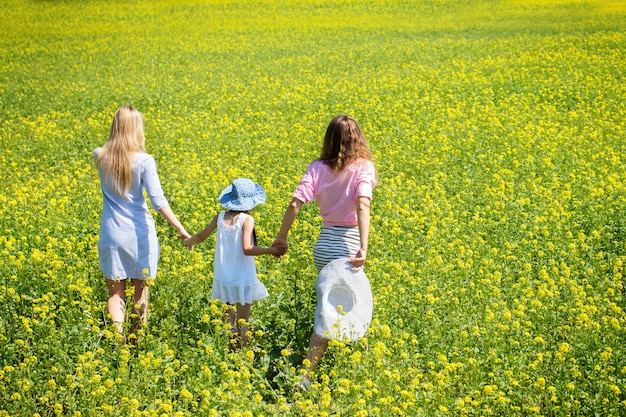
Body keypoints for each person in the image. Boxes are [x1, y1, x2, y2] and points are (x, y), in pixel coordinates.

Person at [272, 114, 377, 387]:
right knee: (340, 309)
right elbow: (363, 204)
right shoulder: (364, 167)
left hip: (324, 245)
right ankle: (306, 376)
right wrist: (364, 246)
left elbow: (295, 204)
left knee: (337, 306)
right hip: (348, 246)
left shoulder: (318, 168)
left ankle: (337, 365)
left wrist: (281, 238)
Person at [94, 105, 190, 340]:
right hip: (139, 234)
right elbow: (158, 201)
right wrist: (181, 229)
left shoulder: (99, 155)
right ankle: (137, 342)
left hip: (111, 233)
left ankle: (117, 343)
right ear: (136, 128)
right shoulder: (145, 160)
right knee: (140, 292)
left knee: (115, 293)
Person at [184, 178, 284, 349]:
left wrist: (189, 242)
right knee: (243, 321)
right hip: (242, 277)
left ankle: (231, 351)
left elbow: (201, 236)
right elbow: (247, 248)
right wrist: (271, 250)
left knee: (229, 322)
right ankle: (243, 355)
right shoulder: (247, 219)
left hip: (224, 276)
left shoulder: (220, 217)